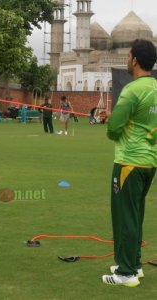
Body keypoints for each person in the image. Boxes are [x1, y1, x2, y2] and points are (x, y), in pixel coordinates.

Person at [102, 39, 157, 287]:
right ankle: (133, 264)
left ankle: (126, 273)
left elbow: (114, 130)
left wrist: (111, 122)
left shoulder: (132, 89)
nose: (126, 59)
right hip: (149, 162)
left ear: (134, 59)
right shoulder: (155, 88)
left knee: (125, 217)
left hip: (129, 162)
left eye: (128, 55)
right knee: (134, 214)